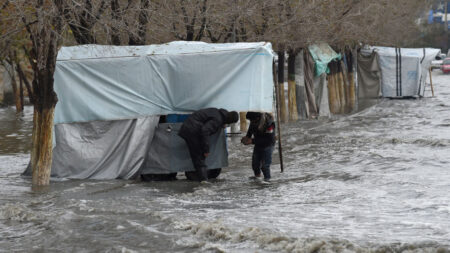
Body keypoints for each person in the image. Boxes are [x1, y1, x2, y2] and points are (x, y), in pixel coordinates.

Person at [178, 108, 239, 182]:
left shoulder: (218, 112)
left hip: (190, 126)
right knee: (199, 157)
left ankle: (202, 177)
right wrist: (206, 150)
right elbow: (205, 131)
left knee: (199, 156)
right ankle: (203, 180)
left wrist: (222, 124)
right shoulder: (217, 120)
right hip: (191, 131)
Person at [241, 112, 276, 181]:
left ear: (257, 118)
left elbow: (269, 140)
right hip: (258, 144)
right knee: (255, 164)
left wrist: (252, 141)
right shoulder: (253, 122)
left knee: (265, 166)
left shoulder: (269, 123)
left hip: (268, 145)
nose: (251, 122)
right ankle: (257, 178)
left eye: (252, 120)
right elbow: (250, 132)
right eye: (250, 120)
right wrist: (246, 138)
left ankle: (267, 181)